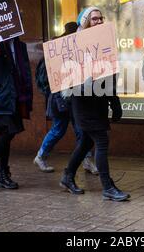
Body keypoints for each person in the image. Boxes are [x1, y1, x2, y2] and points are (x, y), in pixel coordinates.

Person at [59, 6, 130, 201]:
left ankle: (67, 176)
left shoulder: (105, 43)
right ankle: (107, 187)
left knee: (86, 142)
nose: (98, 22)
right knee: (101, 141)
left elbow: (110, 75)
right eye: (94, 19)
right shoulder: (74, 45)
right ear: (85, 23)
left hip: (98, 100)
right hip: (83, 101)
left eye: (100, 19)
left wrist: (114, 102)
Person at [34, 22, 98, 174]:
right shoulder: (56, 50)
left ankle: (86, 160)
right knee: (60, 129)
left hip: (73, 97)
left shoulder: (73, 50)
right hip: (60, 98)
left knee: (79, 130)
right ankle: (41, 156)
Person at [0, 36, 33, 190]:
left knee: (7, 134)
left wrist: (26, 94)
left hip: (14, 95)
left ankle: (3, 173)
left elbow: (24, 71)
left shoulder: (20, 45)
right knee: (8, 131)